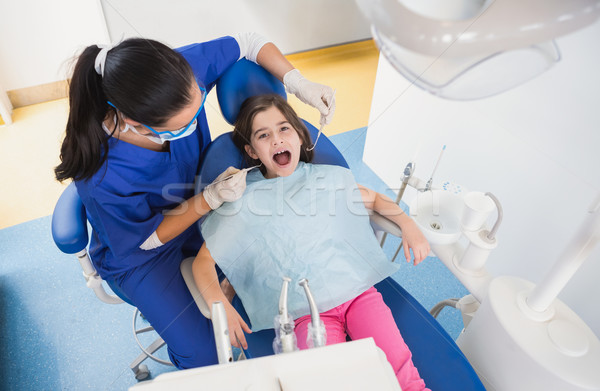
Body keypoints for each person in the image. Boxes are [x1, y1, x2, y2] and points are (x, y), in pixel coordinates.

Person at [54, 34, 335, 369]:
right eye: (182, 126)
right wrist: (209, 198)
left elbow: (247, 42)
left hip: (207, 214)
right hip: (144, 256)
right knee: (206, 354)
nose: (193, 123)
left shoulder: (176, 73)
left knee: (268, 297)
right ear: (135, 123)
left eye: (198, 105)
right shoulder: (102, 174)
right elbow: (146, 240)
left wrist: (298, 81)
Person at [193, 94, 431, 390]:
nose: (276, 140)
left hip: (357, 294)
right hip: (302, 311)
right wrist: (221, 305)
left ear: (299, 136)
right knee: (321, 382)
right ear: (252, 151)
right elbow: (203, 262)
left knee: (400, 371)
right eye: (263, 135)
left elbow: (376, 199)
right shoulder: (243, 197)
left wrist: (409, 225)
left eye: (284, 129)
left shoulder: (325, 179)